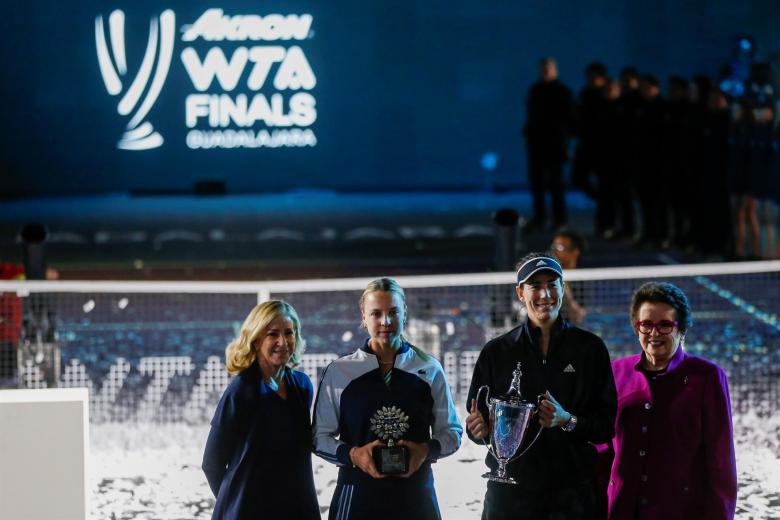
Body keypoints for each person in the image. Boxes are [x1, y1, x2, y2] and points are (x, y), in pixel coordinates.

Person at [466, 253, 617, 520]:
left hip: (572, 496)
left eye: (552, 284)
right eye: (535, 286)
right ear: (520, 293)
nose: (545, 293)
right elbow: (478, 425)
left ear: (562, 288)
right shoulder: (496, 352)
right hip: (511, 497)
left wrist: (566, 420)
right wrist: (477, 430)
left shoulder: (590, 349)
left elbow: (605, 427)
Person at [313, 277, 462, 520]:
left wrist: (424, 450)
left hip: (415, 496)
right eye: (376, 313)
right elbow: (319, 438)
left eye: (393, 312)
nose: (386, 321)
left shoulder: (429, 369)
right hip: (357, 497)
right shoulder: (339, 372)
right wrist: (354, 455)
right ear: (364, 316)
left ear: (405, 313)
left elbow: (452, 432)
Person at [604, 282, 737, 519]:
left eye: (665, 325)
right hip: (622, 509)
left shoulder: (707, 377)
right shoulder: (616, 373)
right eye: (646, 325)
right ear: (637, 327)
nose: (654, 334)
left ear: (681, 330)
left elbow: (720, 460)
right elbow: (602, 448)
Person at [202, 300, 320, 520]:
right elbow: (212, 463)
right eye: (272, 334)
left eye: (289, 333)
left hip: (296, 508)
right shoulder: (240, 391)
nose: (282, 342)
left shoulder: (303, 386)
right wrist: (237, 503)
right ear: (256, 340)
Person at [523, 57, 575, 231]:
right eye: (543, 69)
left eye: (548, 69)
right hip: (537, 145)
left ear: (555, 70)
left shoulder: (562, 92)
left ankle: (559, 219)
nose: (545, 72)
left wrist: (564, 141)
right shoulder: (535, 90)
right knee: (537, 183)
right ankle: (540, 217)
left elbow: (571, 119)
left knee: (556, 184)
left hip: (555, 145)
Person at [550, 229, 587, 325]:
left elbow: (577, 318)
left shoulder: (582, 281)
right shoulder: (547, 277)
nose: (554, 251)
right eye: (554, 247)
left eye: (560, 248)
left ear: (575, 252)